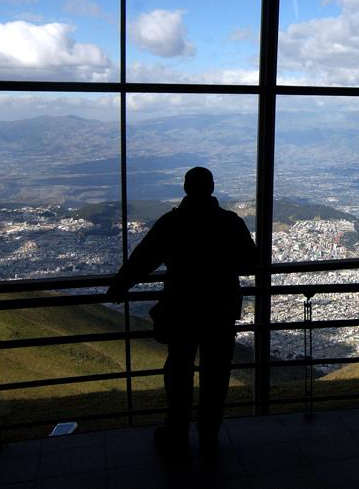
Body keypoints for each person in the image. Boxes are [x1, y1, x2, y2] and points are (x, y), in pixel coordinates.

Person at [107, 167, 258, 455]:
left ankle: (176, 431)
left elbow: (143, 258)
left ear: (186, 188)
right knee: (216, 374)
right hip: (219, 310)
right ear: (212, 187)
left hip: (181, 308)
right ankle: (209, 433)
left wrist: (120, 285)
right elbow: (251, 262)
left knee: (178, 372)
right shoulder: (230, 223)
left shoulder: (172, 223)